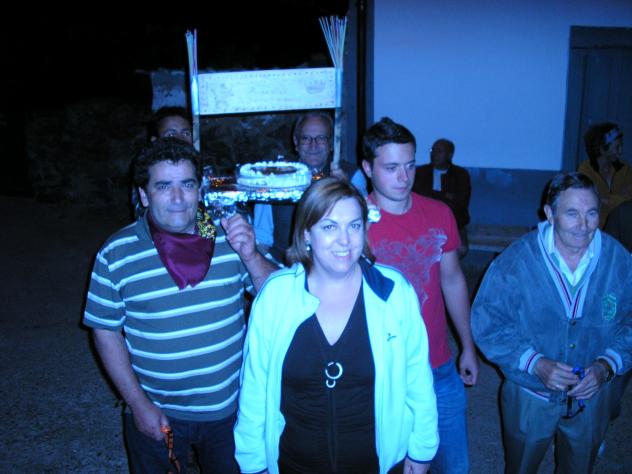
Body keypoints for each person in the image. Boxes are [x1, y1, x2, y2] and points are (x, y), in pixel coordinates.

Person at [84, 138, 276, 473]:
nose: (177, 198)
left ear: (199, 190)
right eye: (163, 186)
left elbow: (280, 300)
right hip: (156, 408)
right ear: (144, 195)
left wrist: (251, 255)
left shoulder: (229, 237)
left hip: (230, 409)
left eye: (187, 185)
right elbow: (105, 332)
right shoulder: (116, 252)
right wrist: (137, 404)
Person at [234, 178, 439, 474]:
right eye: (330, 227)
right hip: (294, 464)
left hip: (377, 465)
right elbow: (254, 391)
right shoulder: (275, 297)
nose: (345, 240)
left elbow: (418, 379)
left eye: (354, 226)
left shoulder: (394, 292)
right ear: (306, 233)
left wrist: (422, 452)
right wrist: (253, 465)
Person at [471, 172, 632, 473]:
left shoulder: (619, 260)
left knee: (580, 466)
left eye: (591, 213)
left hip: (592, 395)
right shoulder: (516, 261)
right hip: (530, 394)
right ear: (549, 213)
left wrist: (606, 366)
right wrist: (534, 363)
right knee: (521, 465)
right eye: (572, 213)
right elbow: (487, 322)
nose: (583, 225)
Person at [361, 117, 478, 474]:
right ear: (367, 168)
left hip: (436, 364)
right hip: (379, 370)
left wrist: (468, 346)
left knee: (455, 466)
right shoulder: (353, 222)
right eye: (391, 167)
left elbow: (452, 280)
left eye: (410, 165)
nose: (404, 177)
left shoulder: (439, 213)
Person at [254, 111, 366, 262]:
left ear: (331, 143)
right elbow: (262, 241)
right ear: (296, 142)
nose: (313, 145)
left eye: (321, 138)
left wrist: (345, 188)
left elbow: (366, 230)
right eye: (306, 138)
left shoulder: (352, 176)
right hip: (285, 268)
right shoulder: (274, 179)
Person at [413, 138, 471, 257]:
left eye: (439, 151)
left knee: (461, 248)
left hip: (453, 221)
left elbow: (461, 202)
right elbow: (418, 197)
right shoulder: (421, 172)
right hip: (424, 221)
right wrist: (444, 195)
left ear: (450, 155)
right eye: (432, 150)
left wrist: (432, 197)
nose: (434, 154)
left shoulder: (460, 174)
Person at [578, 122, 632, 227]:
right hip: (594, 227)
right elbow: (589, 201)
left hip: (621, 227)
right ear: (603, 149)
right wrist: (619, 199)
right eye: (617, 147)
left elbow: (629, 200)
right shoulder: (585, 169)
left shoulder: (624, 169)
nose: (621, 151)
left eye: (621, 146)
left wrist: (607, 200)